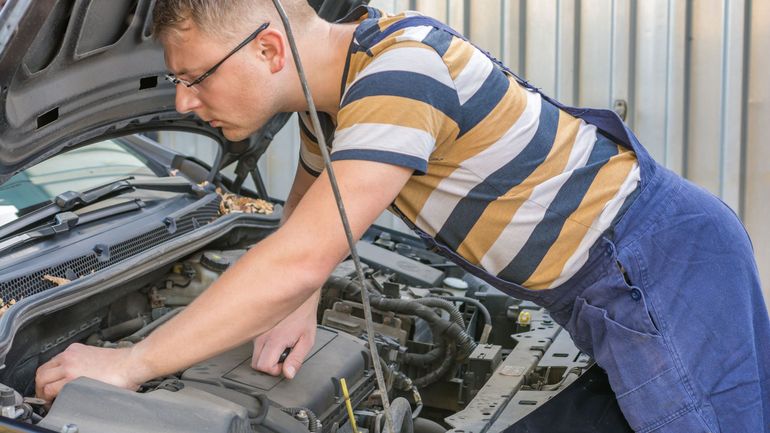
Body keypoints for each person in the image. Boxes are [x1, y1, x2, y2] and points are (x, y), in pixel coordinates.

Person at [35, 1, 769, 431]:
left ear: (264, 48)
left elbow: (300, 253)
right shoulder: (346, 85)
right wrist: (303, 302)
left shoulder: (399, 73)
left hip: (655, 272)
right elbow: (309, 211)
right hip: (608, 282)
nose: (184, 103)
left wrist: (131, 360)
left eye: (193, 78)